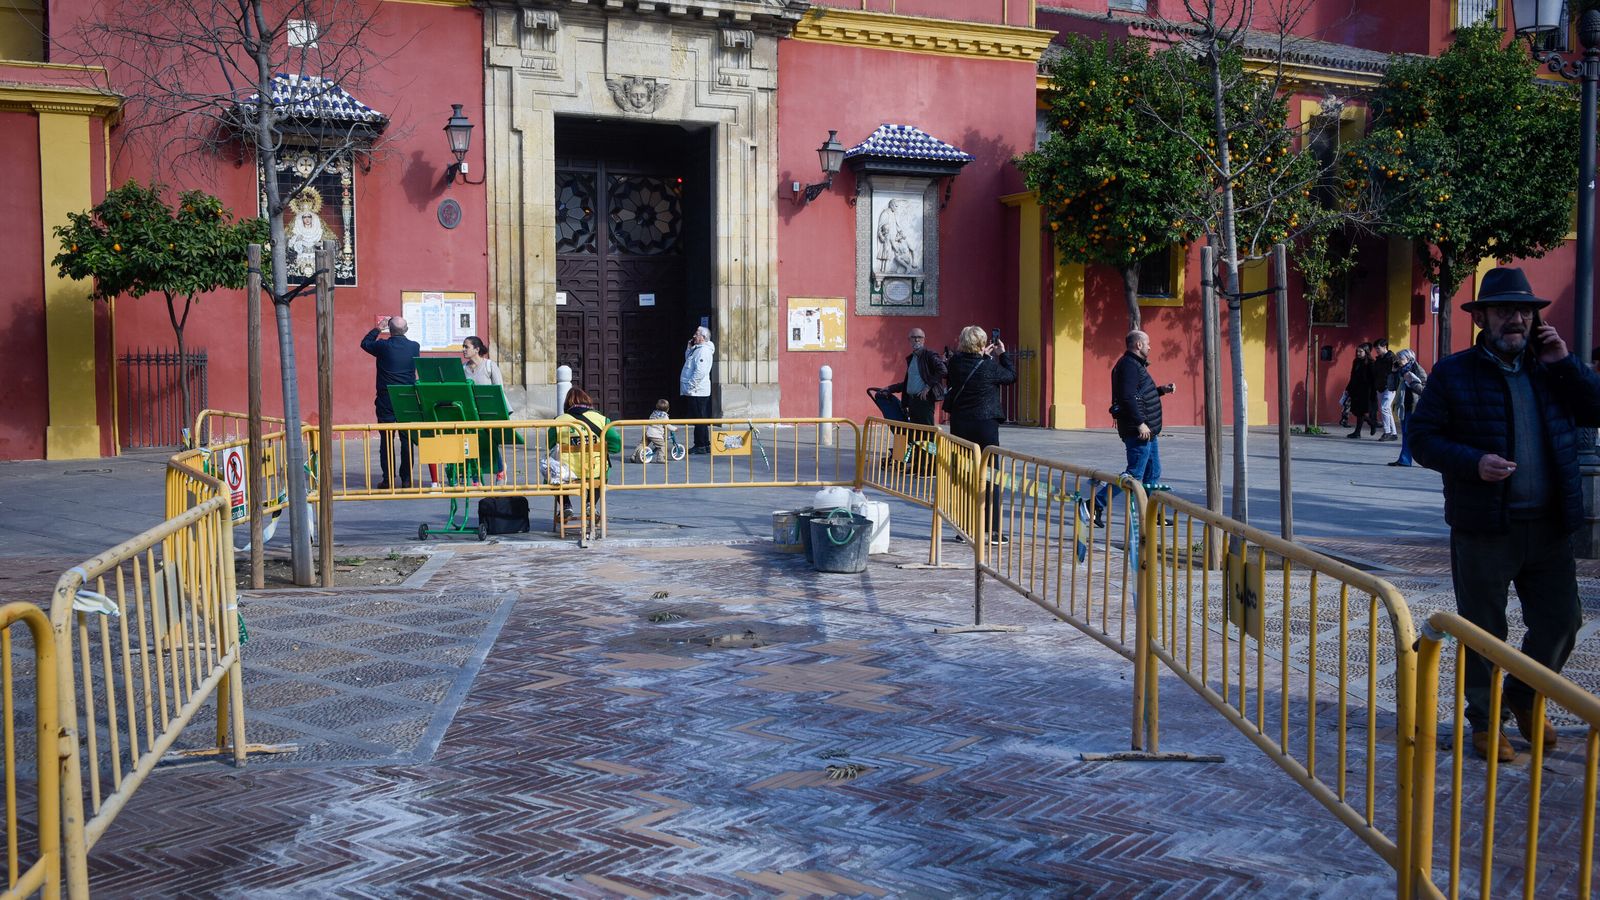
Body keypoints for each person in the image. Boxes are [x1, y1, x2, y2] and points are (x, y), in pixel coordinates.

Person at [1410, 266, 1600, 762]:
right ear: (1483, 319)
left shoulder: (1551, 368)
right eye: (1503, 311)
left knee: (1563, 621)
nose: (1514, 319)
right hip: (1484, 526)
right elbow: (1422, 439)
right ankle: (1484, 722)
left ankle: (1525, 694)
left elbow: (1596, 409)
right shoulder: (1454, 372)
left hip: (1549, 524)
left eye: (1523, 311)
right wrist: (1473, 463)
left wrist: (1566, 363)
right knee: (1484, 629)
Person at [1087, 330, 1176, 528]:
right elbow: (1127, 397)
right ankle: (1094, 505)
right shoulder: (1128, 366)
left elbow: (1140, 395)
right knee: (1134, 473)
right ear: (1138, 345)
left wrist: (1161, 390)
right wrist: (1140, 423)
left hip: (1148, 431)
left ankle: (1151, 514)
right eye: (1148, 343)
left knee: (1153, 473)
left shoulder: (1135, 365)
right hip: (1139, 431)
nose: (1150, 347)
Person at [943, 325, 1016, 544]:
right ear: (983, 344)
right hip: (986, 425)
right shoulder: (989, 366)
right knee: (990, 476)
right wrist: (1002, 354)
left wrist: (983, 357)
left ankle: (964, 528)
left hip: (961, 424)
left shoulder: (954, 363)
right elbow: (1011, 376)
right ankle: (993, 530)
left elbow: (963, 369)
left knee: (964, 476)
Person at [546, 388, 624, 525]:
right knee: (603, 470)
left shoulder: (558, 421)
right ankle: (591, 505)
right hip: (593, 471)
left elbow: (550, 444)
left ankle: (565, 505)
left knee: (550, 474)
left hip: (566, 473)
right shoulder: (602, 420)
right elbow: (616, 445)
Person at [360, 316, 420, 489]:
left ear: (390, 330)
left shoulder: (382, 346)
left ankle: (388, 479)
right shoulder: (414, 346)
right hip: (407, 398)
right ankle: (407, 479)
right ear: (406, 330)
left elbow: (365, 343)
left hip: (386, 398)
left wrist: (378, 328)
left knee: (386, 439)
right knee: (406, 439)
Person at [878, 327, 948, 426]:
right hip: (912, 401)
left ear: (924, 339)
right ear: (909, 340)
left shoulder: (929, 355)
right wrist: (890, 388)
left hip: (924, 401)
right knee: (915, 433)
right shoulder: (912, 358)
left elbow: (943, 370)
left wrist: (927, 387)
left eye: (919, 337)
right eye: (913, 337)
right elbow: (909, 383)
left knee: (927, 434)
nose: (916, 339)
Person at [1388, 349, 1426, 468]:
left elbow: (1424, 390)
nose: (1399, 361)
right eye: (1398, 358)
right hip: (1404, 406)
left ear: (1409, 359)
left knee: (1413, 434)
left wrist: (1411, 383)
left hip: (1415, 406)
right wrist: (1393, 373)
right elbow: (1391, 387)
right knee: (1406, 433)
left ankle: (1425, 458)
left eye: (1401, 358)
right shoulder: (1400, 371)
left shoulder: (1417, 369)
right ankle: (1404, 460)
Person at [680, 326, 715, 454]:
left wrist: (690, 386)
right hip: (696, 391)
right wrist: (689, 348)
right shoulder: (697, 349)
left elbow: (700, 371)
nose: (694, 336)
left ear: (703, 337)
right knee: (700, 418)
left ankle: (701, 444)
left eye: (696, 334)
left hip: (698, 391)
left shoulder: (703, 351)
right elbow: (689, 362)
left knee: (699, 419)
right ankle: (704, 444)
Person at [1345, 343, 1377, 439]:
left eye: (1360, 351)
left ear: (1366, 352)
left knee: (1361, 411)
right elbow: (1352, 375)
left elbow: (1373, 379)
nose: (1358, 353)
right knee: (1356, 411)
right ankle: (1371, 423)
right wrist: (1348, 388)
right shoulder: (1356, 361)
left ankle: (1358, 431)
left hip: (1366, 390)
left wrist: (1373, 392)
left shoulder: (1371, 363)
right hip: (1356, 389)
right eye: (1357, 351)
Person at [1373, 337, 1399, 442]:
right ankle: (1394, 433)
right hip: (1380, 386)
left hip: (1390, 386)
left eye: (1378, 348)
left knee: (1384, 408)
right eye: (1376, 349)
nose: (1377, 351)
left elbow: (1397, 370)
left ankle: (1387, 432)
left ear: (1384, 347)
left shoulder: (1392, 358)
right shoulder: (1378, 359)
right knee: (1387, 409)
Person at [644, 398, 677, 462]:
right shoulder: (664, 416)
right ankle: (661, 458)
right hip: (656, 435)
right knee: (662, 445)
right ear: (667, 409)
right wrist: (675, 429)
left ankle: (634, 455)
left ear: (656, 406)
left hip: (648, 432)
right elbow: (667, 425)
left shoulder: (653, 413)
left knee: (642, 444)